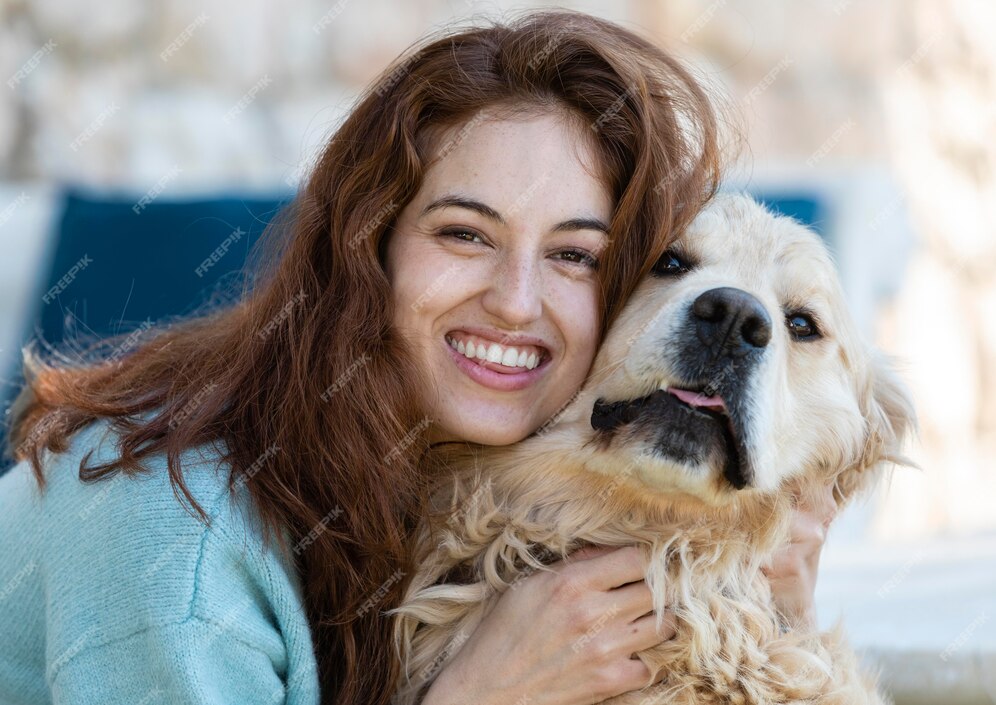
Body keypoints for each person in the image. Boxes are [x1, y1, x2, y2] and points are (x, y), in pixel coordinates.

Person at [0, 9, 835, 705]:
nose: (515, 300)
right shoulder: (168, 532)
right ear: (367, 249)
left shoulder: (451, 488)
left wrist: (769, 600)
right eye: (464, 234)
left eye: (575, 254)